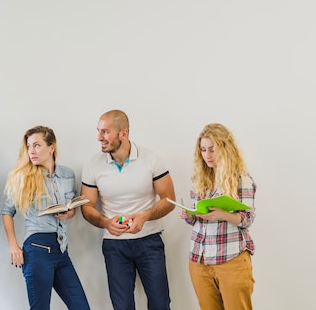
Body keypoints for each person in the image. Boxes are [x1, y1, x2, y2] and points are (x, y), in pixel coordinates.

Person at [81, 110, 175, 310]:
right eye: (98, 131)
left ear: (123, 134)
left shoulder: (151, 158)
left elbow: (169, 199)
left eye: (105, 132)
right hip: (115, 247)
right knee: (122, 306)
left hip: (149, 241)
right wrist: (106, 222)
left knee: (160, 304)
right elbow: (87, 207)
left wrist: (145, 215)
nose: (99, 137)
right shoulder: (93, 165)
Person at [1, 126, 90, 310]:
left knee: (81, 307)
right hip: (37, 249)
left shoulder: (67, 174)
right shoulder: (21, 176)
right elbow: (7, 211)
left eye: (37, 145)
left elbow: (71, 208)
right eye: (29, 146)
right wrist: (12, 244)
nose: (31, 151)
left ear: (51, 147)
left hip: (62, 249)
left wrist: (69, 212)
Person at [178, 123, 256, 310]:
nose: (207, 155)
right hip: (199, 260)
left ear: (225, 148)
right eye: (203, 150)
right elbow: (199, 218)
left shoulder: (241, 179)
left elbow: (248, 218)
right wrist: (190, 216)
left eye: (212, 150)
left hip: (231, 259)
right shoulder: (200, 179)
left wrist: (223, 215)